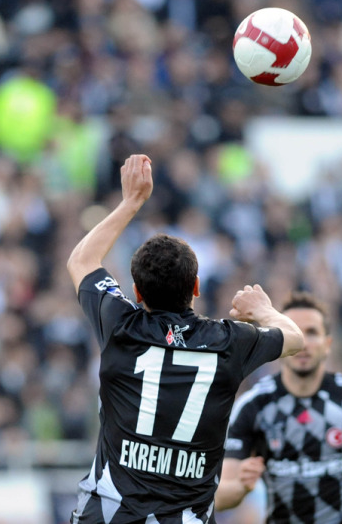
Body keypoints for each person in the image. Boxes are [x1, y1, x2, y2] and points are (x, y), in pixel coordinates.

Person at [66, 154, 304, 523]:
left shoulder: (118, 324)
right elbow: (295, 338)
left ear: (137, 292)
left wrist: (131, 203)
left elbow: (82, 260)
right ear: (195, 286)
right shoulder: (230, 341)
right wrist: (263, 309)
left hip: (106, 514)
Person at [215, 291, 342, 523]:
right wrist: (241, 487)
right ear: (279, 340)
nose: (303, 341)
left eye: (312, 332)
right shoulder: (253, 406)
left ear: (328, 344)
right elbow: (221, 497)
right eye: (295, 331)